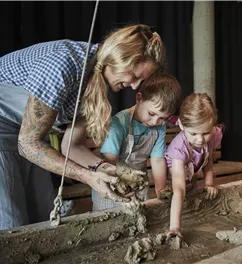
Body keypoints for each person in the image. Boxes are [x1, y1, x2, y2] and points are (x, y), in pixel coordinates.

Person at [0, 24, 165, 230]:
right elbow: (27, 143)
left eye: (142, 80)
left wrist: (110, 171)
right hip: (9, 130)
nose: (135, 86)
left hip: (30, 135)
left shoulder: (97, 86)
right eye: (134, 75)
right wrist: (88, 177)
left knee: (40, 218)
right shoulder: (63, 65)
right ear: (118, 58)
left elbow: (73, 146)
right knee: (12, 224)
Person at [94, 73, 181, 211]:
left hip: (139, 185)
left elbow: (157, 160)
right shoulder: (119, 123)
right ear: (139, 98)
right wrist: (124, 192)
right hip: (111, 184)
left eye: (162, 118)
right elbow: (109, 162)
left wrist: (161, 190)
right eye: (152, 114)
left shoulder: (159, 127)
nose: (154, 122)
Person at [164, 93, 223, 237]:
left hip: (192, 180)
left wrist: (209, 183)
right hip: (173, 189)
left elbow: (207, 158)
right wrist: (175, 228)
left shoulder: (213, 134)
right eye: (194, 134)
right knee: (179, 201)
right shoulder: (178, 148)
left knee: (193, 208)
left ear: (213, 125)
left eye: (205, 133)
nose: (200, 139)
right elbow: (178, 188)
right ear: (181, 125)